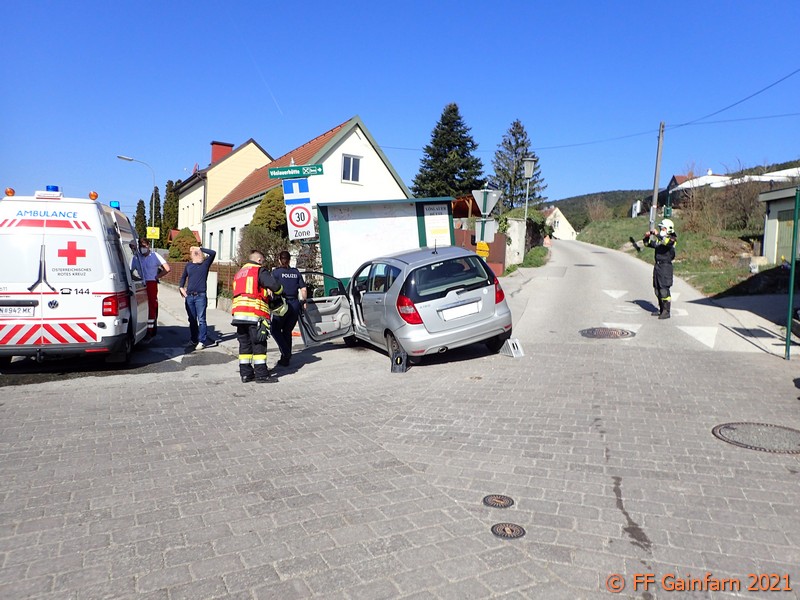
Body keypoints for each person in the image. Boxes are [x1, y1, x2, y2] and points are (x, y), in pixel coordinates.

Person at [231, 251, 285, 383]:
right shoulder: (259, 271)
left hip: (238, 315)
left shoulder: (239, 273)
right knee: (259, 343)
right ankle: (261, 375)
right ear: (259, 260)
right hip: (254, 314)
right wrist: (279, 291)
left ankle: (246, 374)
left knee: (244, 346)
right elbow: (276, 287)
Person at [270, 250, 307, 367]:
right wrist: (304, 302)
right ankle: (286, 358)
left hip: (281, 305)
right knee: (287, 331)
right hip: (295, 304)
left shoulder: (276, 273)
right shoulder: (296, 273)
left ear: (280, 260)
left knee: (275, 330)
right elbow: (304, 290)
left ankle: (286, 352)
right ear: (289, 260)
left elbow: (270, 289)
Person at [178, 246, 217, 349]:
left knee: (202, 319)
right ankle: (194, 339)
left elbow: (213, 252)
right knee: (192, 319)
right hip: (189, 296)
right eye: (197, 254)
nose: (200, 255)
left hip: (200, 296)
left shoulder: (205, 264)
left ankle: (202, 341)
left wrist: (200, 248)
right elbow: (183, 277)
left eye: (200, 253)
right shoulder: (189, 265)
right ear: (192, 256)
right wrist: (181, 288)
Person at [643, 218, 677, 319]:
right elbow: (649, 244)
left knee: (664, 290)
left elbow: (666, 242)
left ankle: (666, 311)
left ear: (668, 229)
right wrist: (647, 237)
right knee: (657, 289)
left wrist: (657, 234)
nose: (661, 229)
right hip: (658, 266)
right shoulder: (660, 239)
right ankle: (661, 309)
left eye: (662, 228)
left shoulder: (672, 238)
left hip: (665, 267)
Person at [138, 239, 170, 339]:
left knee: (151, 305)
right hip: (140, 283)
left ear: (148, 245)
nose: (142, 248)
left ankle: (150, 330)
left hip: (151, 282)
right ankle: (141, 328)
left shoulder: (155, 256)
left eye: (144, 246)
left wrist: (157, 276)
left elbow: (167, 268)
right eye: (140, 246)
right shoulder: (137, 257)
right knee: (141, 307)